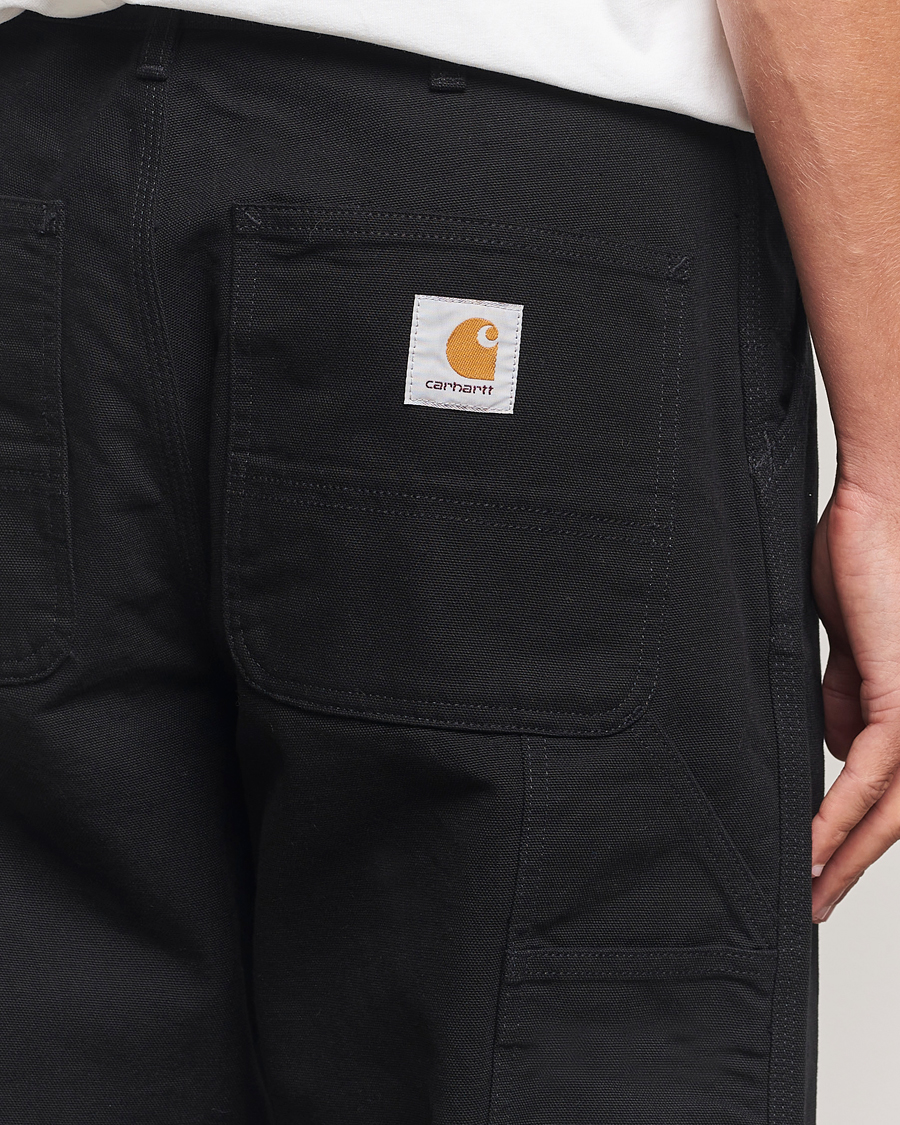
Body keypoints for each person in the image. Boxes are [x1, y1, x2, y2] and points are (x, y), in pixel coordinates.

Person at [0, 1, 895, 1121]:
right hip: (505, 186)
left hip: (43, 189)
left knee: (51, 1016)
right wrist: (887, 474)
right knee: (562, 1045)